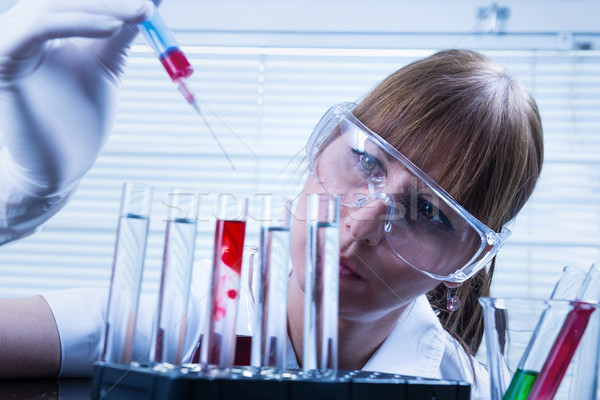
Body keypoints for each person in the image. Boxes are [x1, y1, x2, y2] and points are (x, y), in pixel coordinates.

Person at [0, 0, 544, 398]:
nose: (357, 227)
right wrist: (19, 199)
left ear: (468, 262)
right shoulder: (182, 321)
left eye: (428, 211)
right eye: (367, 162)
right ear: (324, 149)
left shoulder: (465, 388)